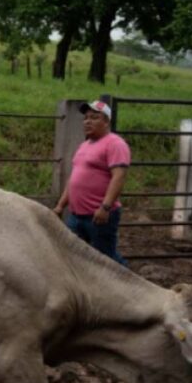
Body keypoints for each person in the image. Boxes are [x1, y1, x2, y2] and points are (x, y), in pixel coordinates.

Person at [52, 99, 130, 265]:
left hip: (98, 216)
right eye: (86, 118)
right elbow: (74, 179)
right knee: (72, 254)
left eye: (94, 117)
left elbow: (119, 177)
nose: (88, 121)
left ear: (106, 121)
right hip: (76, 215)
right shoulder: (84, 145)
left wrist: (105, 207)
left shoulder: (115, 144)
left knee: (105, 259)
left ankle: (127, 277)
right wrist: (60, 205)